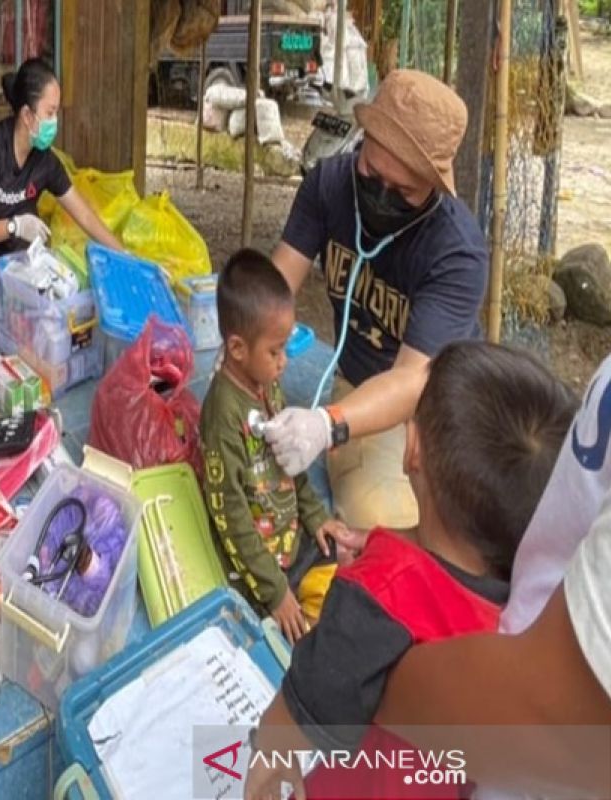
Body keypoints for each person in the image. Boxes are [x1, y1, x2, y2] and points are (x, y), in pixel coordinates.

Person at [245, 341, 576, 800]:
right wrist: (390, 546)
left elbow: (304, 703)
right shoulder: (533, 600)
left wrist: (265, 752)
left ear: (412, 448)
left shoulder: (378, 593)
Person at [371, 354, 611, 798]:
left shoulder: (374, 606)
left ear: (412, 448)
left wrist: (355, 677)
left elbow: (559, 723)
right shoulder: (499, 604)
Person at [262, 70, 488, 534]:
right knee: (378, 520)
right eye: (372, 174)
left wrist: (327, 425)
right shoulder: (328, 186)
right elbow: (276, 285)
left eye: (403, 192)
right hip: (361, 385)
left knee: (465, 530)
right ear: (361, 142)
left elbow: (411, 381)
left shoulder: (456, 251)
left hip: (441, 405)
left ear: (434, 183)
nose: (381, 195)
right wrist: (247, 340)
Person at [200, 249, 348, 644]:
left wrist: (316, 516)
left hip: (290, 539)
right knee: (297, 636)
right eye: (275, 350)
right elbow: (229, 515)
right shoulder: (223, 416)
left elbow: (291, 461)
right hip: (257, 568)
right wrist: (275, 591)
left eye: (286, 347)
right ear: (236, 349)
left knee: (346, 568)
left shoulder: (267, 384)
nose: (284, 362)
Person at [0, 57, 123, 359]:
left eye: (56, 113)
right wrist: (15, 225)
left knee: (56, 325)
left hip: (14, 261)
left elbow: (85, 214)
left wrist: (126, 256)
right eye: (50, 113)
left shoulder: (45, 160)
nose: (55, 122)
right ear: (27, 114)